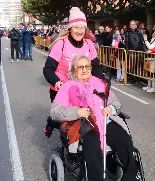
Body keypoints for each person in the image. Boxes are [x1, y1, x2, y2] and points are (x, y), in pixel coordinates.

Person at [50, 55, 140, 181]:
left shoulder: (100, 83)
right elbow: (55, 112)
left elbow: (116, 104)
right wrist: (77, 111)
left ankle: (131, 178)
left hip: (105, 122)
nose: (84, 69)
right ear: (73, 70)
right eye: (80, 67)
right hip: (84, 125)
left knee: (124, 140)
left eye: (87, 66)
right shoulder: (67, 86)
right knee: (92, 150)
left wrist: (111, 109)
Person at [43, 7, 104, 137]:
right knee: (63, 120)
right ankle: (54, 126)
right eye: (76, 27)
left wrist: (100, 82)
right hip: (62, 88)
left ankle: (82, 144)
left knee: (84, 116)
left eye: (82, 28)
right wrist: (57, 82)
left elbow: (96, 67)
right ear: (70, 28)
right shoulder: (61, 44)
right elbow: (48, 69)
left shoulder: (89, 44)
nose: (80, 31)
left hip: (81, 87)